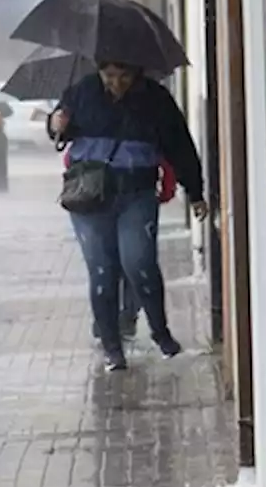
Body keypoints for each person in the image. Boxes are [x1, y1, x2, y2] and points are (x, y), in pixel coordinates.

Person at [49, 62, 207, 371]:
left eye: (124, 77)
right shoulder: (82, 91)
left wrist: (195, 191)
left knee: (140, 262)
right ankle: (112, 347)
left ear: (136, 74)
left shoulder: (155, 99)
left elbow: (179, 144)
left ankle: (162, 335)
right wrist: (56, 124)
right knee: (102, 271)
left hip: (136, 193)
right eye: (109, 77)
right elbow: (59, 132)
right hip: (89, 195)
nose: (116, 84)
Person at [61, 144, 179, 343]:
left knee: (122, 263)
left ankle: (118, 322)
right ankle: (124, 320)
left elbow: (69, 157)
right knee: (126, 264)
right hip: (112, 193)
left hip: (105, 190)